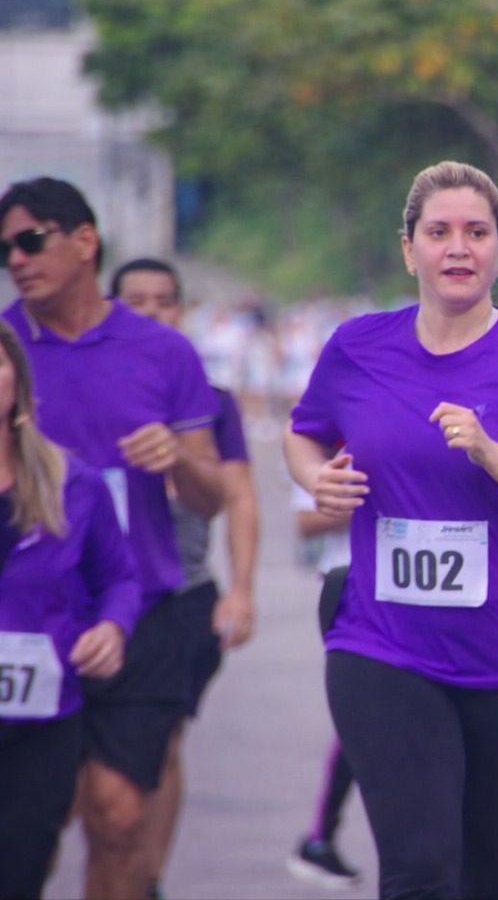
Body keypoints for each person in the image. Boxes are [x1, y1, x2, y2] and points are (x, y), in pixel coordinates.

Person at [284, 160, 498, 899]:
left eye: (477, 232)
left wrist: (494, 454)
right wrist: (315, 478)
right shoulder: (359, 347)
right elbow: (304, 434)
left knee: (496, 877)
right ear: (410, 250)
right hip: (387, 645)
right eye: (439, 232)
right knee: (421, 868)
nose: (458, 247)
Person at [0, 177, 224, 900]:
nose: (17, 259)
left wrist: (181, 459)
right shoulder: (7, 355)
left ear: (85, 241)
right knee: (32, 820)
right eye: (5, 249)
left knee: (119, 814)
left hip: (142, 610)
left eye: (31, 240)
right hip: (27, 622)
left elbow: (213, 495)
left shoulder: (163, 353)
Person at [110, 257, 260, 899]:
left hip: (180, 590)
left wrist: (242, 589)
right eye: (135, 301)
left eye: (165, 301)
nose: (151, 312)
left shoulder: (210, 397)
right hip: (86, 594)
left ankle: (147, 877)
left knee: (163, 745)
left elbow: (242, 496)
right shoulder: (81, 383)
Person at [0, 320, 139, 900]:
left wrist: (112, 626)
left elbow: (121, 579)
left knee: (19, 874)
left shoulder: (72, 483)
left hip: (40, 724)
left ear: (17, 380)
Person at [287, 484, 362, 889]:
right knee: (366, 719)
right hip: (353, 586)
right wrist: (394, 490)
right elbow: (306, 522)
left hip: (437, 592)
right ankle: (320, 839)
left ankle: (320, 838)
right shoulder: (333, 432)